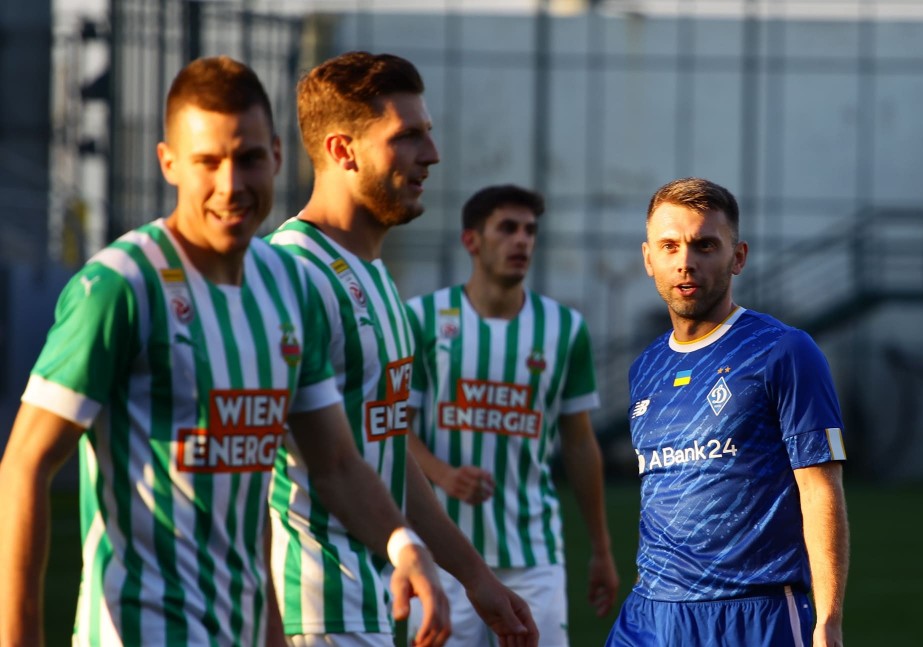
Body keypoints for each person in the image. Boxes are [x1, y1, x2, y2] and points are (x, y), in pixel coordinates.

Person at [0, 56, 449, 647]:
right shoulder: (120, 287)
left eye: (250, 158)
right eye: (208, 161)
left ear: (278, 156)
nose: (231, 184)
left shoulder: (287, 286)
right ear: (169, 163)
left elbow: (335, 465)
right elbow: (26, 464)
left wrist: (403, 544)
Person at [265, 52, 537, 647]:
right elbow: (268, 470)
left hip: (377, 601)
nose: (431, 155)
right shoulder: (289, 273)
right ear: (342, 150)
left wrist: (475, 577)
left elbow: (386, 449)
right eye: (407, 136)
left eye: (428, 134)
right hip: (313, 607)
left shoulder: (374, 275)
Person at [605, 177, 849, 647]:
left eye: (705, 245)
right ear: (648, 259)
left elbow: (820, 487)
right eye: (670, 246)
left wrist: (828, 618)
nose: (686, 261)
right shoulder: (645, 368)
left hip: (752, 614)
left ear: (738, 257)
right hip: (649, 615)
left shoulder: (784, 351)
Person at [405, 184, 620, 646]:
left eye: (529, 230)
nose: (521, 240)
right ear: (471, 240)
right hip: (441, 551)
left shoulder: (565, 328)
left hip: (532, 553)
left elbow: (580, 443)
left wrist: (601, 549)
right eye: (507, 228)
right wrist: (443, 475)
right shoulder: (421, 319)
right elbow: (395, 428)